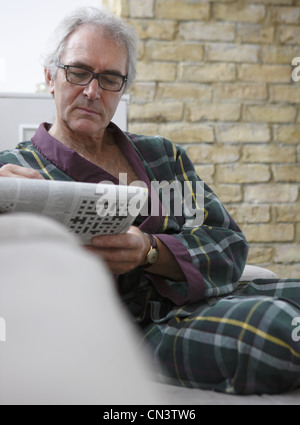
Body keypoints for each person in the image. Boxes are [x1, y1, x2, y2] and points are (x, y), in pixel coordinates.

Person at [0, 6, 299, 395]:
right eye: (78, 72)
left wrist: (151, 250)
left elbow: (227, 242)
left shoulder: (163, 156)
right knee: (279, 331)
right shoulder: (13, 170)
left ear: (122, 89)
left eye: (110, 79)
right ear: (50, 77)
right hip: (135, 328)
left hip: (203, 296)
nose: (92, 91)